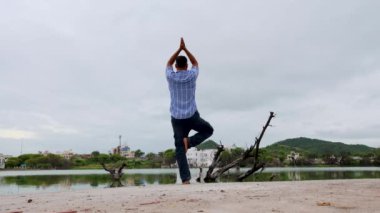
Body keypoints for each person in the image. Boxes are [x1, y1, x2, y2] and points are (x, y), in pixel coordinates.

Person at [166, 38, 214, 184]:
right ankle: (190, 141)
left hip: (176, 117)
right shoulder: (192, 75)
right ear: (186, 66)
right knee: (208, 130)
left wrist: (178, 50)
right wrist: (185, 49)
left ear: (176, 66)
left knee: (180, 148)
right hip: (192, 116)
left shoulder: (170, 76)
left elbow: (168, 63)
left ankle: (185, 179)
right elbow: (196, 63)